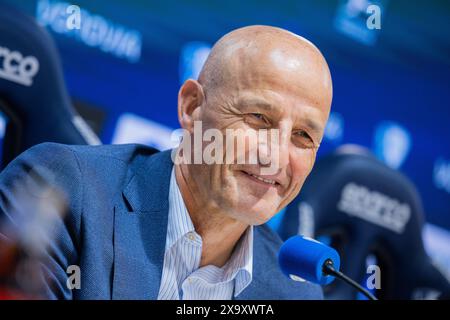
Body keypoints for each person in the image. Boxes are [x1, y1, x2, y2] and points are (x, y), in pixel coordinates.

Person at [0, 25, 333, 299]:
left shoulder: (296, 293)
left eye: (303, 136)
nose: (275, 156)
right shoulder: (58, 190)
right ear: (191, 108)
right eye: (258, 117)